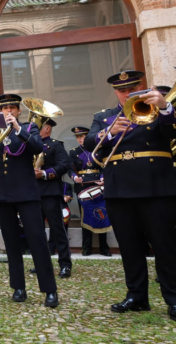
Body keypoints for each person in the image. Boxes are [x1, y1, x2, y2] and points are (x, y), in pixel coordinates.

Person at [85, 71, 176, 320]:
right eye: (123, 90)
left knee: (165, 246)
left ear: (142, 87)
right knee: (129, 247)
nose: (128, 93)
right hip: (120, 189)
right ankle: (137, 296)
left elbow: (173, 133)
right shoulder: (103, 117)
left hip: (155, 186)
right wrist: (111, 132)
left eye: (133, 88)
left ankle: (174, 298)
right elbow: (88, 142)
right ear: (116, 92)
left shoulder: (159, 110)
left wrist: (166, 107)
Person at [0, 94, 59, 308]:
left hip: (26, 192)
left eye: (12, 108)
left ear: (19, 111)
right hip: (2, 192)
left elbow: (38, 147)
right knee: (11, 242)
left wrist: (18, 128)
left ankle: (49, 289)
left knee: (37, 240)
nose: (8, 111)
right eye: (4, 108)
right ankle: (18, 287)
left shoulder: (29, 128)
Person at [34, 119, 72, 277]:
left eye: (38, 127)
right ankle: (42, 264)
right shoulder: (29, 146)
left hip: (49, 192)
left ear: (47, 128)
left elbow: (64, 165)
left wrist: (43, 173)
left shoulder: (56, 145)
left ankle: (65, 264)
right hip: (32, 193)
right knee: (37, 231)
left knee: (57, 229)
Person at [68, 126, 110, 256]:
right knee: (85, 216)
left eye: (82, 136)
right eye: (78, 137)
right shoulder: (73, 152)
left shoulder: (98, 150)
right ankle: (86, 247)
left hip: (99, 185)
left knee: (101, 215)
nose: (80, 139)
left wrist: (103, 178)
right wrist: (75, 177)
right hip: (83, 187)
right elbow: (69, 169)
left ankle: (104, 248)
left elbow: (104, 166)